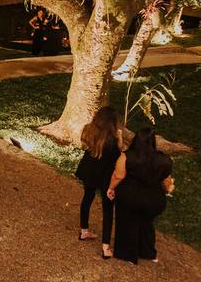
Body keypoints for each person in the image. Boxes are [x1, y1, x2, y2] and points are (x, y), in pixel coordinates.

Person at [107, 128, 175, 264]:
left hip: (131, 196)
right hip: (154, 199)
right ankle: (148, 252)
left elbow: (118, 176)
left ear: (136, 140)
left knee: (128, 222)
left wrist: (111, 188)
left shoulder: (126, 157)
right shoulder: (165, 160)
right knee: (147, 224)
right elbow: (166, 179)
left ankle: (127, 254)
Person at [75, 107, 124, 259]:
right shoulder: (112, 140)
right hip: (105, 176)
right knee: (108, 209)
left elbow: (86, 146)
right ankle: (105, 247)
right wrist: (120, 139)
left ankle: (84, 231)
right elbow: (118, 156)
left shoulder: (89, 131)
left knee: (87, 197)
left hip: (90, 171)